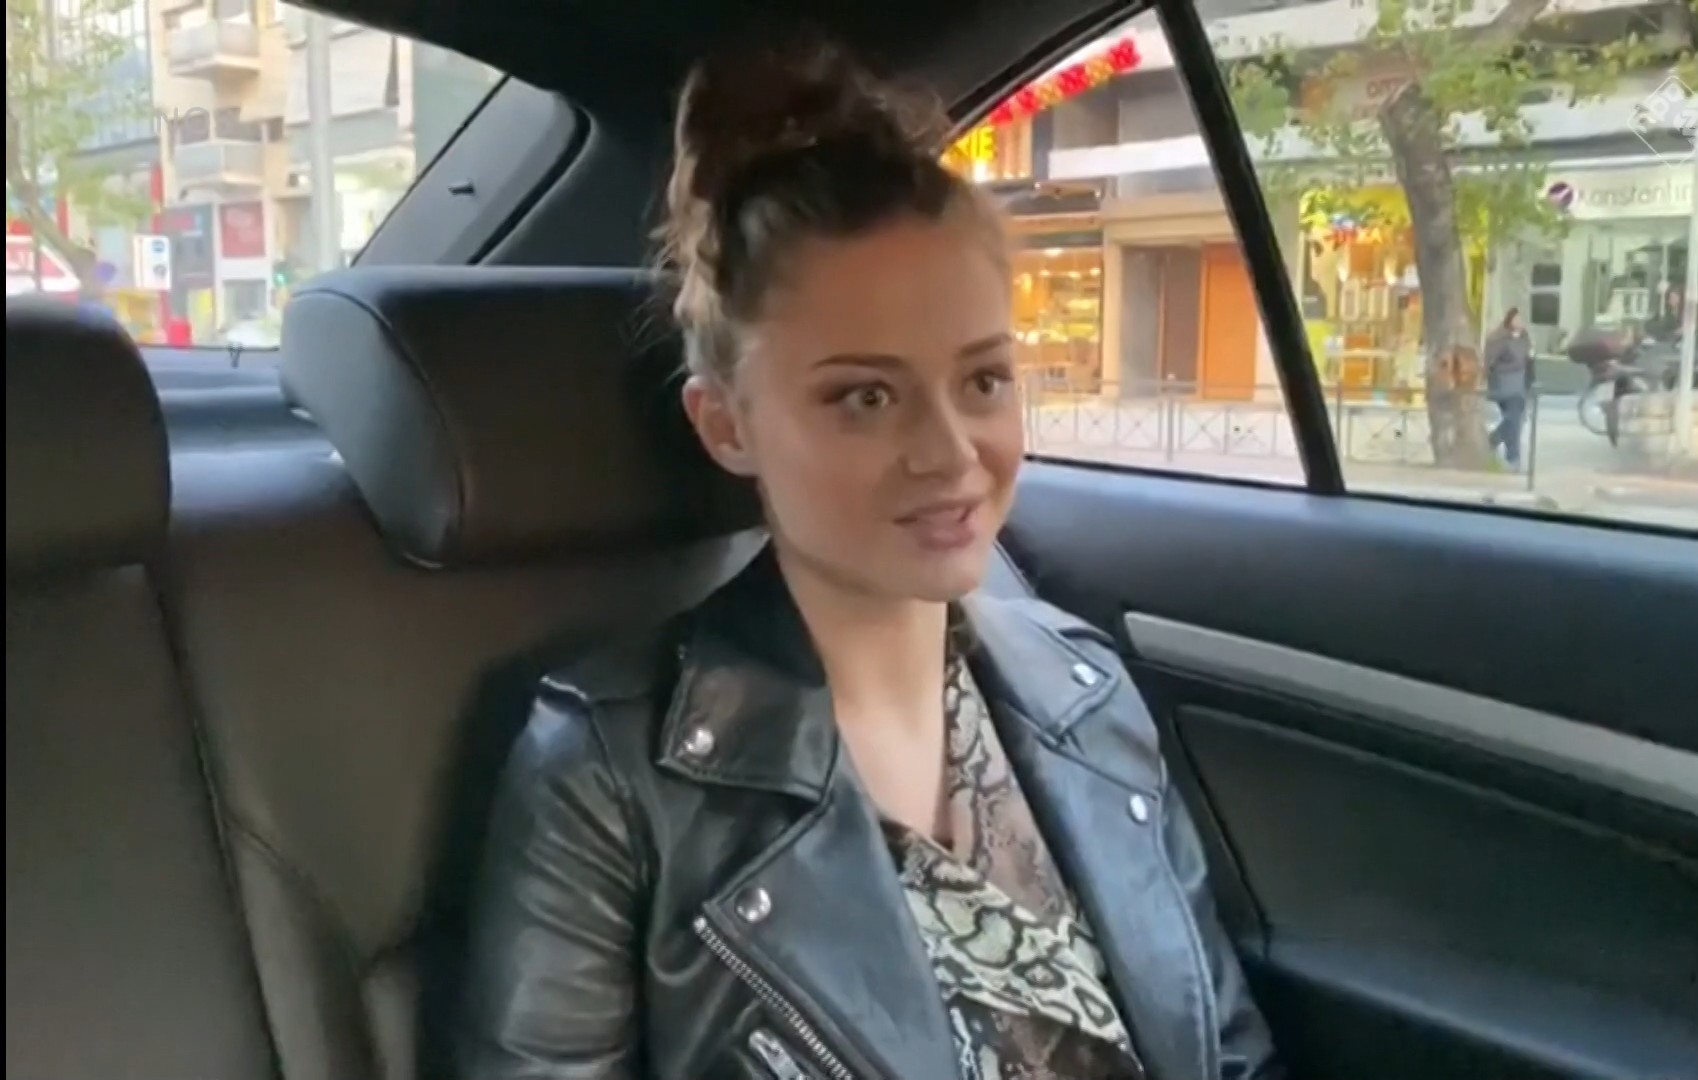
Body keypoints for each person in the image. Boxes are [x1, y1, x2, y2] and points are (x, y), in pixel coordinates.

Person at [457, 39, 1283, 1080]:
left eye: (983, 381)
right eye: (866, 396)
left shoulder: (1086, 695)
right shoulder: (607, 780)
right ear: (727, 425)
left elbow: (1226, 1052)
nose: (951, 453)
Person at [1484, 307, 1532, 469]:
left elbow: (1528, 361)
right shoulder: (1499, 338)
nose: (1520, 322)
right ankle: (1495, 442)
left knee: (1515, 421)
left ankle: (1512, 458)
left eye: (1522, 319)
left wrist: (1529, 382)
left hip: (1519, 384)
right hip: (1504, 383)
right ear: (1509, 320)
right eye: (1517, 318)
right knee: (1513, 419)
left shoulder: (1524, 338)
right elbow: (1489, 362)